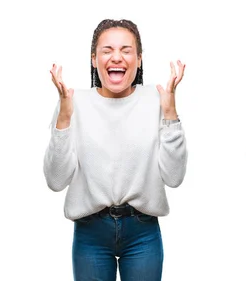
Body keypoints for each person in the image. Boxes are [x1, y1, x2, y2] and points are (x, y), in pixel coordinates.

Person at [43, 19, 188, 281]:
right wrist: (63, 120)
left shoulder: (158, 98)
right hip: (90, 233)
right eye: (107, 50)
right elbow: (55, 180)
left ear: (139, 59)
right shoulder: (74, 102)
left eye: (126, 50)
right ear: (94, 59)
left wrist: (170, 114)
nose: (116, 57)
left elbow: (174, 178)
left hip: (143, 232)